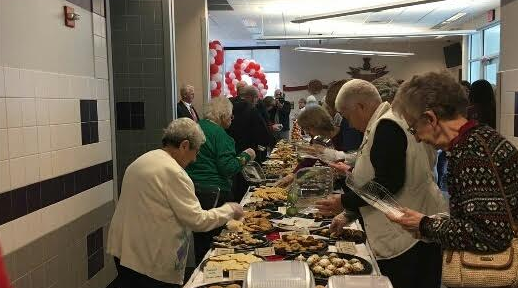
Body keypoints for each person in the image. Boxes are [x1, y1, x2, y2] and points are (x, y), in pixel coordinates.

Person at [316, 79, 446, 288]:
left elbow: (387, 184)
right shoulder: (391, 121)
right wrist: (350, 213)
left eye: (347, 115)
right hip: (416, 224)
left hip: (408, 234)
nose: (348, 123)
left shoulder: (387, 125)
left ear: (361, 106)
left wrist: (345, 201)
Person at [387, 71, 518, 278]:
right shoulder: (479, 140)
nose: (418, 139)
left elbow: (491, 235)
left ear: (430, 118)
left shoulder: (473, 153)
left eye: (414, 129)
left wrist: (425, 224)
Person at [107, 118, 244, 288]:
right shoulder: (173, 172)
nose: (195, 159)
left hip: (124, 250)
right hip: (148, 259)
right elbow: (197, 220)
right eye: (196, 151)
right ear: (184, 145)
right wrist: (229, 209)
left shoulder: (143, 159)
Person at [185, 97, 256, 264]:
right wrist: (247, 155)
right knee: (215, 240)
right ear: (223, 116)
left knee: (199, 237)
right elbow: (228, 168)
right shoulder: (220, 135)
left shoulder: (195, 127)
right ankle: (213, 270)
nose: (232, 120)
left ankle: (200, 269)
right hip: (215, 192)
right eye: (230, 116)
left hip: (192, 188)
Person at [228, 85, 275, 199]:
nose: (257, 101)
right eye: (257, 98)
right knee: (248, 186)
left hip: (231, 151)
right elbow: (264, 134)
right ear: (252, 97)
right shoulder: (251, 109)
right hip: (248, 153)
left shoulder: (229, 105)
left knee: (235, 184)